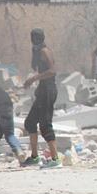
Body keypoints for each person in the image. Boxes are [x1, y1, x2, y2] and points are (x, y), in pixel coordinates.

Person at [22, 28, 60, 168]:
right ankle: (34, 157)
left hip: (48, 90)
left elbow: (52, 71)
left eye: (36, 37)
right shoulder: (37, 52)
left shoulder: (44, 51)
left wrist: (34, 79)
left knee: (45, 124)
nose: (34, 40)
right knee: (30, 122)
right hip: (43, 90)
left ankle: (55, 159)